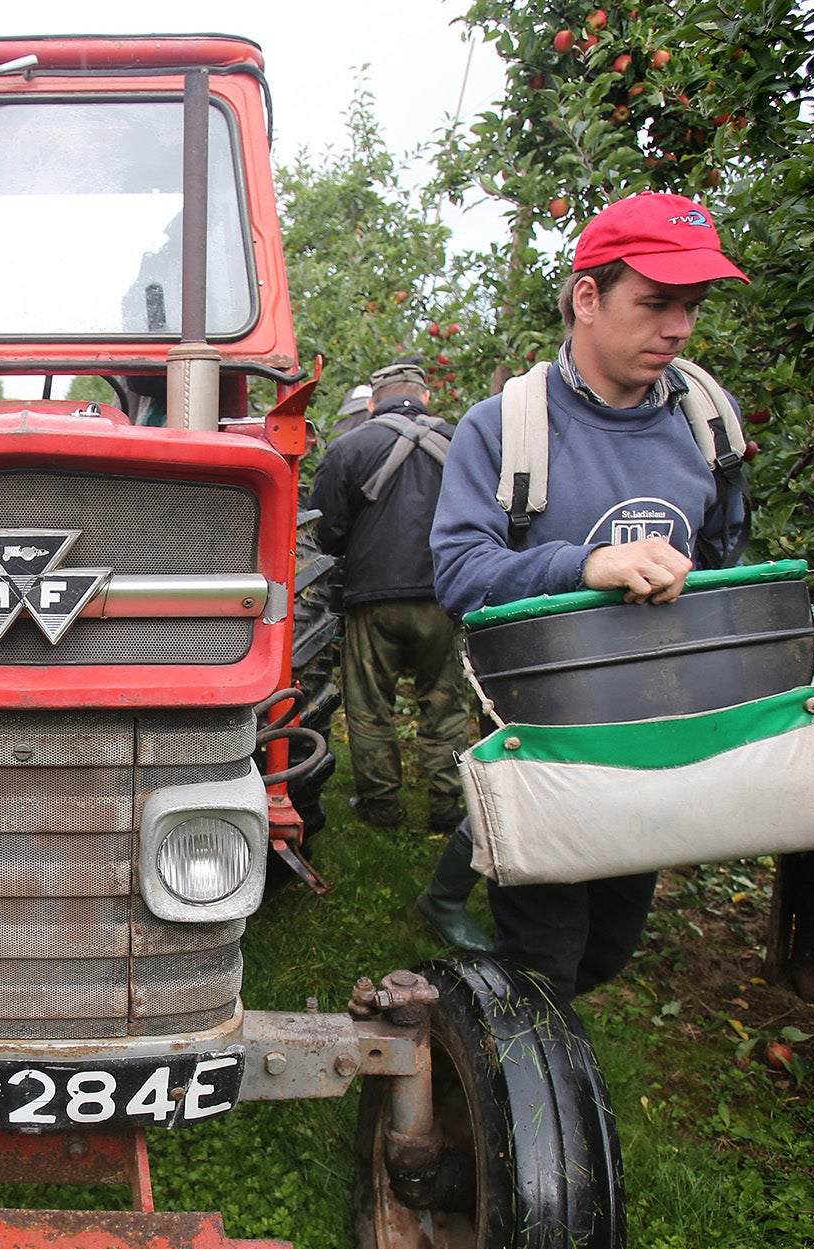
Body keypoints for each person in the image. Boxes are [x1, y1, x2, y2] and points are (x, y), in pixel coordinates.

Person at [428, 191, 752, 1008]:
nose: (677, 329)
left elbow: (721, 563)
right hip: (545, 740)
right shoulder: (506, 428)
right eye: (656, 303)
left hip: (651, 740)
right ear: (587, 297)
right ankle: (513, 1110)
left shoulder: (707, 424)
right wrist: (585, 565)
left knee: (608, 947)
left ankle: (511, 1051)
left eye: (691, 307)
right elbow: (460, 573)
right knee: (543, 958)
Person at [312, 357, 473, 838]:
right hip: (445, 593)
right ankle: (448, 808)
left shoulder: (348, 447)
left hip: (373, 598)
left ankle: (380, 807)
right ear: (424, 396)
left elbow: (327, 532)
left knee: (369, 706)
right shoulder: (464, 441)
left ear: (374, 402)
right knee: (446, 706)